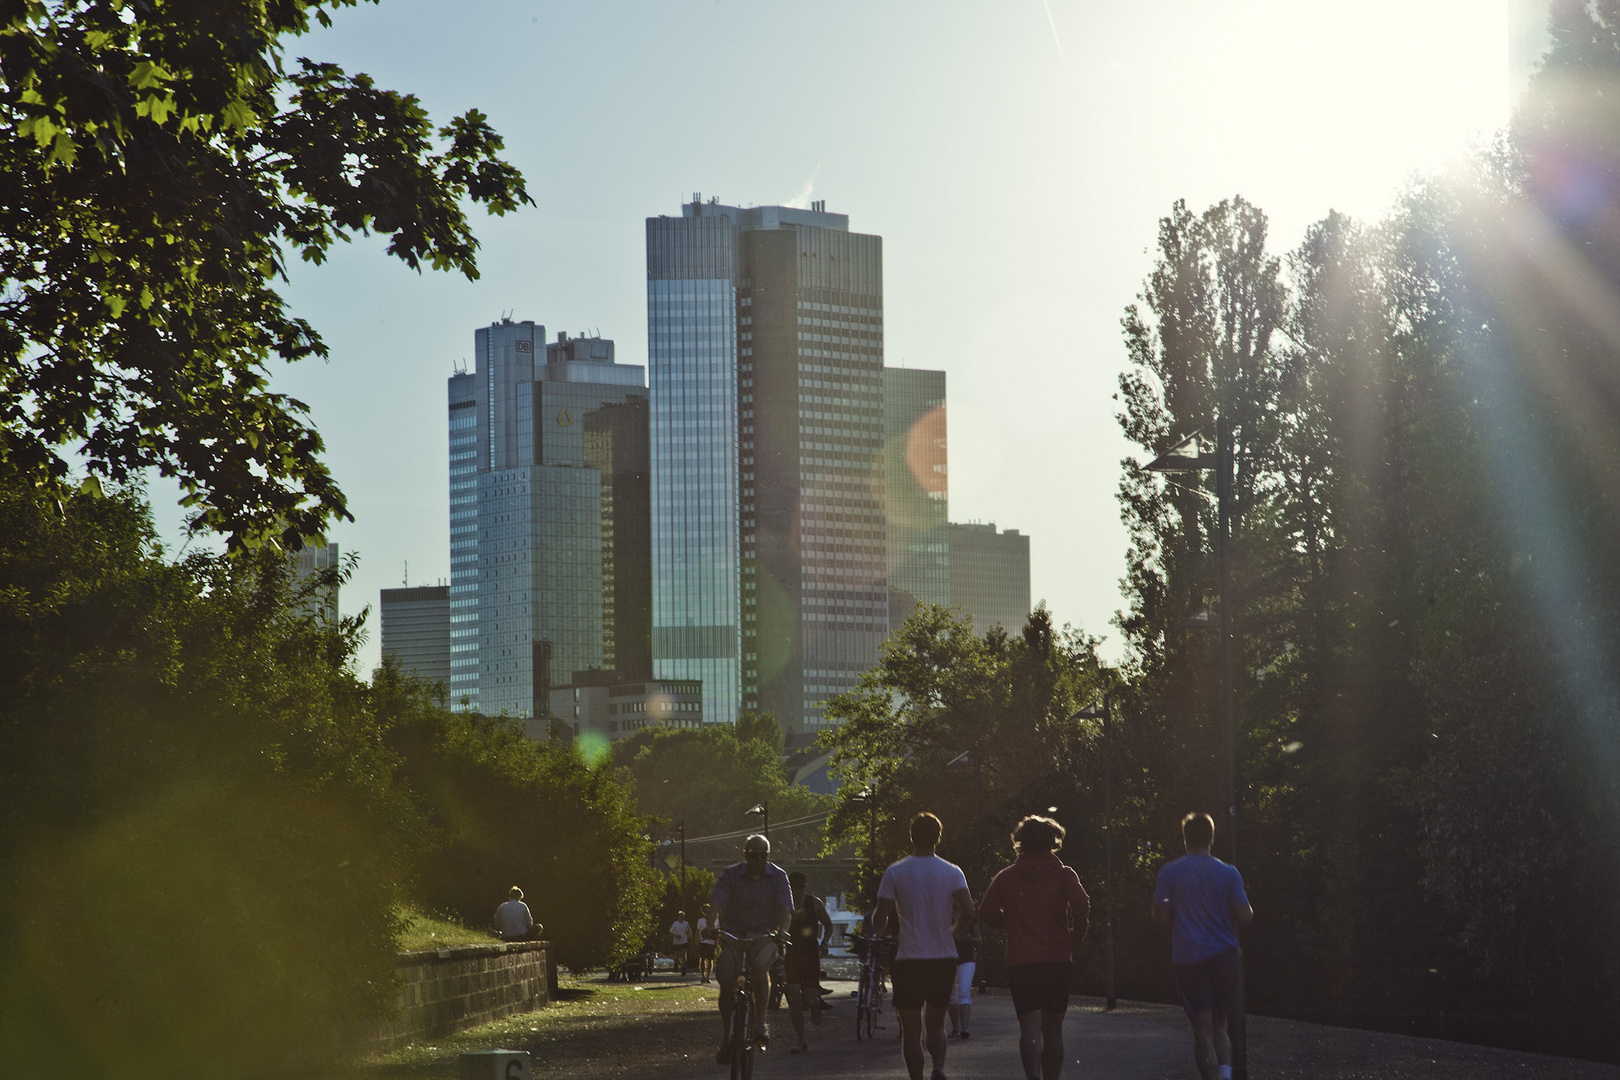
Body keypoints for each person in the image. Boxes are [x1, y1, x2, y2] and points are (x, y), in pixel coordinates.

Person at [979, 815, 1090, 1080]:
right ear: (1053, 841)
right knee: (1053, 1030)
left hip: (1021, 961)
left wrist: (1009, 923)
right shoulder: (1064, 874)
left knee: (1029, 1029)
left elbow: (985, 911)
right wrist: (1076, 935)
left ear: (1021, 842)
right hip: (1057, 959)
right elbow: (1082, 904)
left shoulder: (1006, 877)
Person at [872, 812, 975, 1080]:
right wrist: (954, 931)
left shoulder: (895, 871)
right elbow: (969, 910)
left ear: (911, 837)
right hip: (943, 957)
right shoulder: (952, 871)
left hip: (909, 959)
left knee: (911, 1029)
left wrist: (879, 923)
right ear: (938, 838)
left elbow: (879, 919)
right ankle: (938, 1068)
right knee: (937, 1023)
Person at [1153, 812, 1254, 1080]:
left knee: (1200, 1029)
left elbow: (1160, 917)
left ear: (1185, 838)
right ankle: (1225, 1073)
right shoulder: (1229, 873)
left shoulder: (1170, 872)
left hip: (1188, 957)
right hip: (1223, 956)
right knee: (1221, 1025)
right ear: (1212, 838)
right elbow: (1245, 916)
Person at [708, 833, 792, 1064]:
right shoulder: (731, 874)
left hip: (765, 936)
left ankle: (760, 1023)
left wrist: (783, 931)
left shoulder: (778, 876)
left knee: (759, 965)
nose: (758, 860)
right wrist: (710, 926)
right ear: (745, 854)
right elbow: (716, 902)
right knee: (726, 982)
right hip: (734, 935)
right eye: (754, 855)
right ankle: (727, 1036)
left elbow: (786, 909)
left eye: (764, 856)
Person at [783, 870, 834, 1053]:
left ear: (804, 888)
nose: (796, 892)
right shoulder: (784, 906)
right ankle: (801, 1039)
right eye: (792, 888)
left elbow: (828, 925)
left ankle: (815, 1006)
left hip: (811, 954)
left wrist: (825, 942)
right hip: (792, 954)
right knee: (794, 996)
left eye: (799, 888)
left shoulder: (815, 903)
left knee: (809, 999)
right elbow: (777, 927)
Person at [946, 914, 980, 1038]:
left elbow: (978, 939)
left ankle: (964, 1028)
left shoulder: (971, 917)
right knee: (951, 994)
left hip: (967, 959)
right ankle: (956, 1028)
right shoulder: (945, 914)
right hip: (949, 958)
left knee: (964, 992)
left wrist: (969, 938)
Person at [696, 902, 718, 984]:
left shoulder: (715, 920)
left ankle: (708, 976)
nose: (708, 912)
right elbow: (698, 931)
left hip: (711, 942)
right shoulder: (701, 920)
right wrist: (697, 940)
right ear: (703, 911)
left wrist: (716, 941)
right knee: (702, 958)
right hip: (703, 941)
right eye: (706, 910)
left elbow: (717, 931)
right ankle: (702, 975)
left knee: (710, 960)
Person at [670, 909, 692, 976]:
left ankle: (683, 968)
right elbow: (670, 932)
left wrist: (689, 935)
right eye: (681, 916)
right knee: (676, 955)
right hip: (676, 942)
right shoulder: (675, 924)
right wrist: (676, 936)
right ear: (678, 917)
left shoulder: (686, 924)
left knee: (683, 955)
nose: (682, 917)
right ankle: (676, 964)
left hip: (684, 941)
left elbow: (689, 931)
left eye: (683, 916)